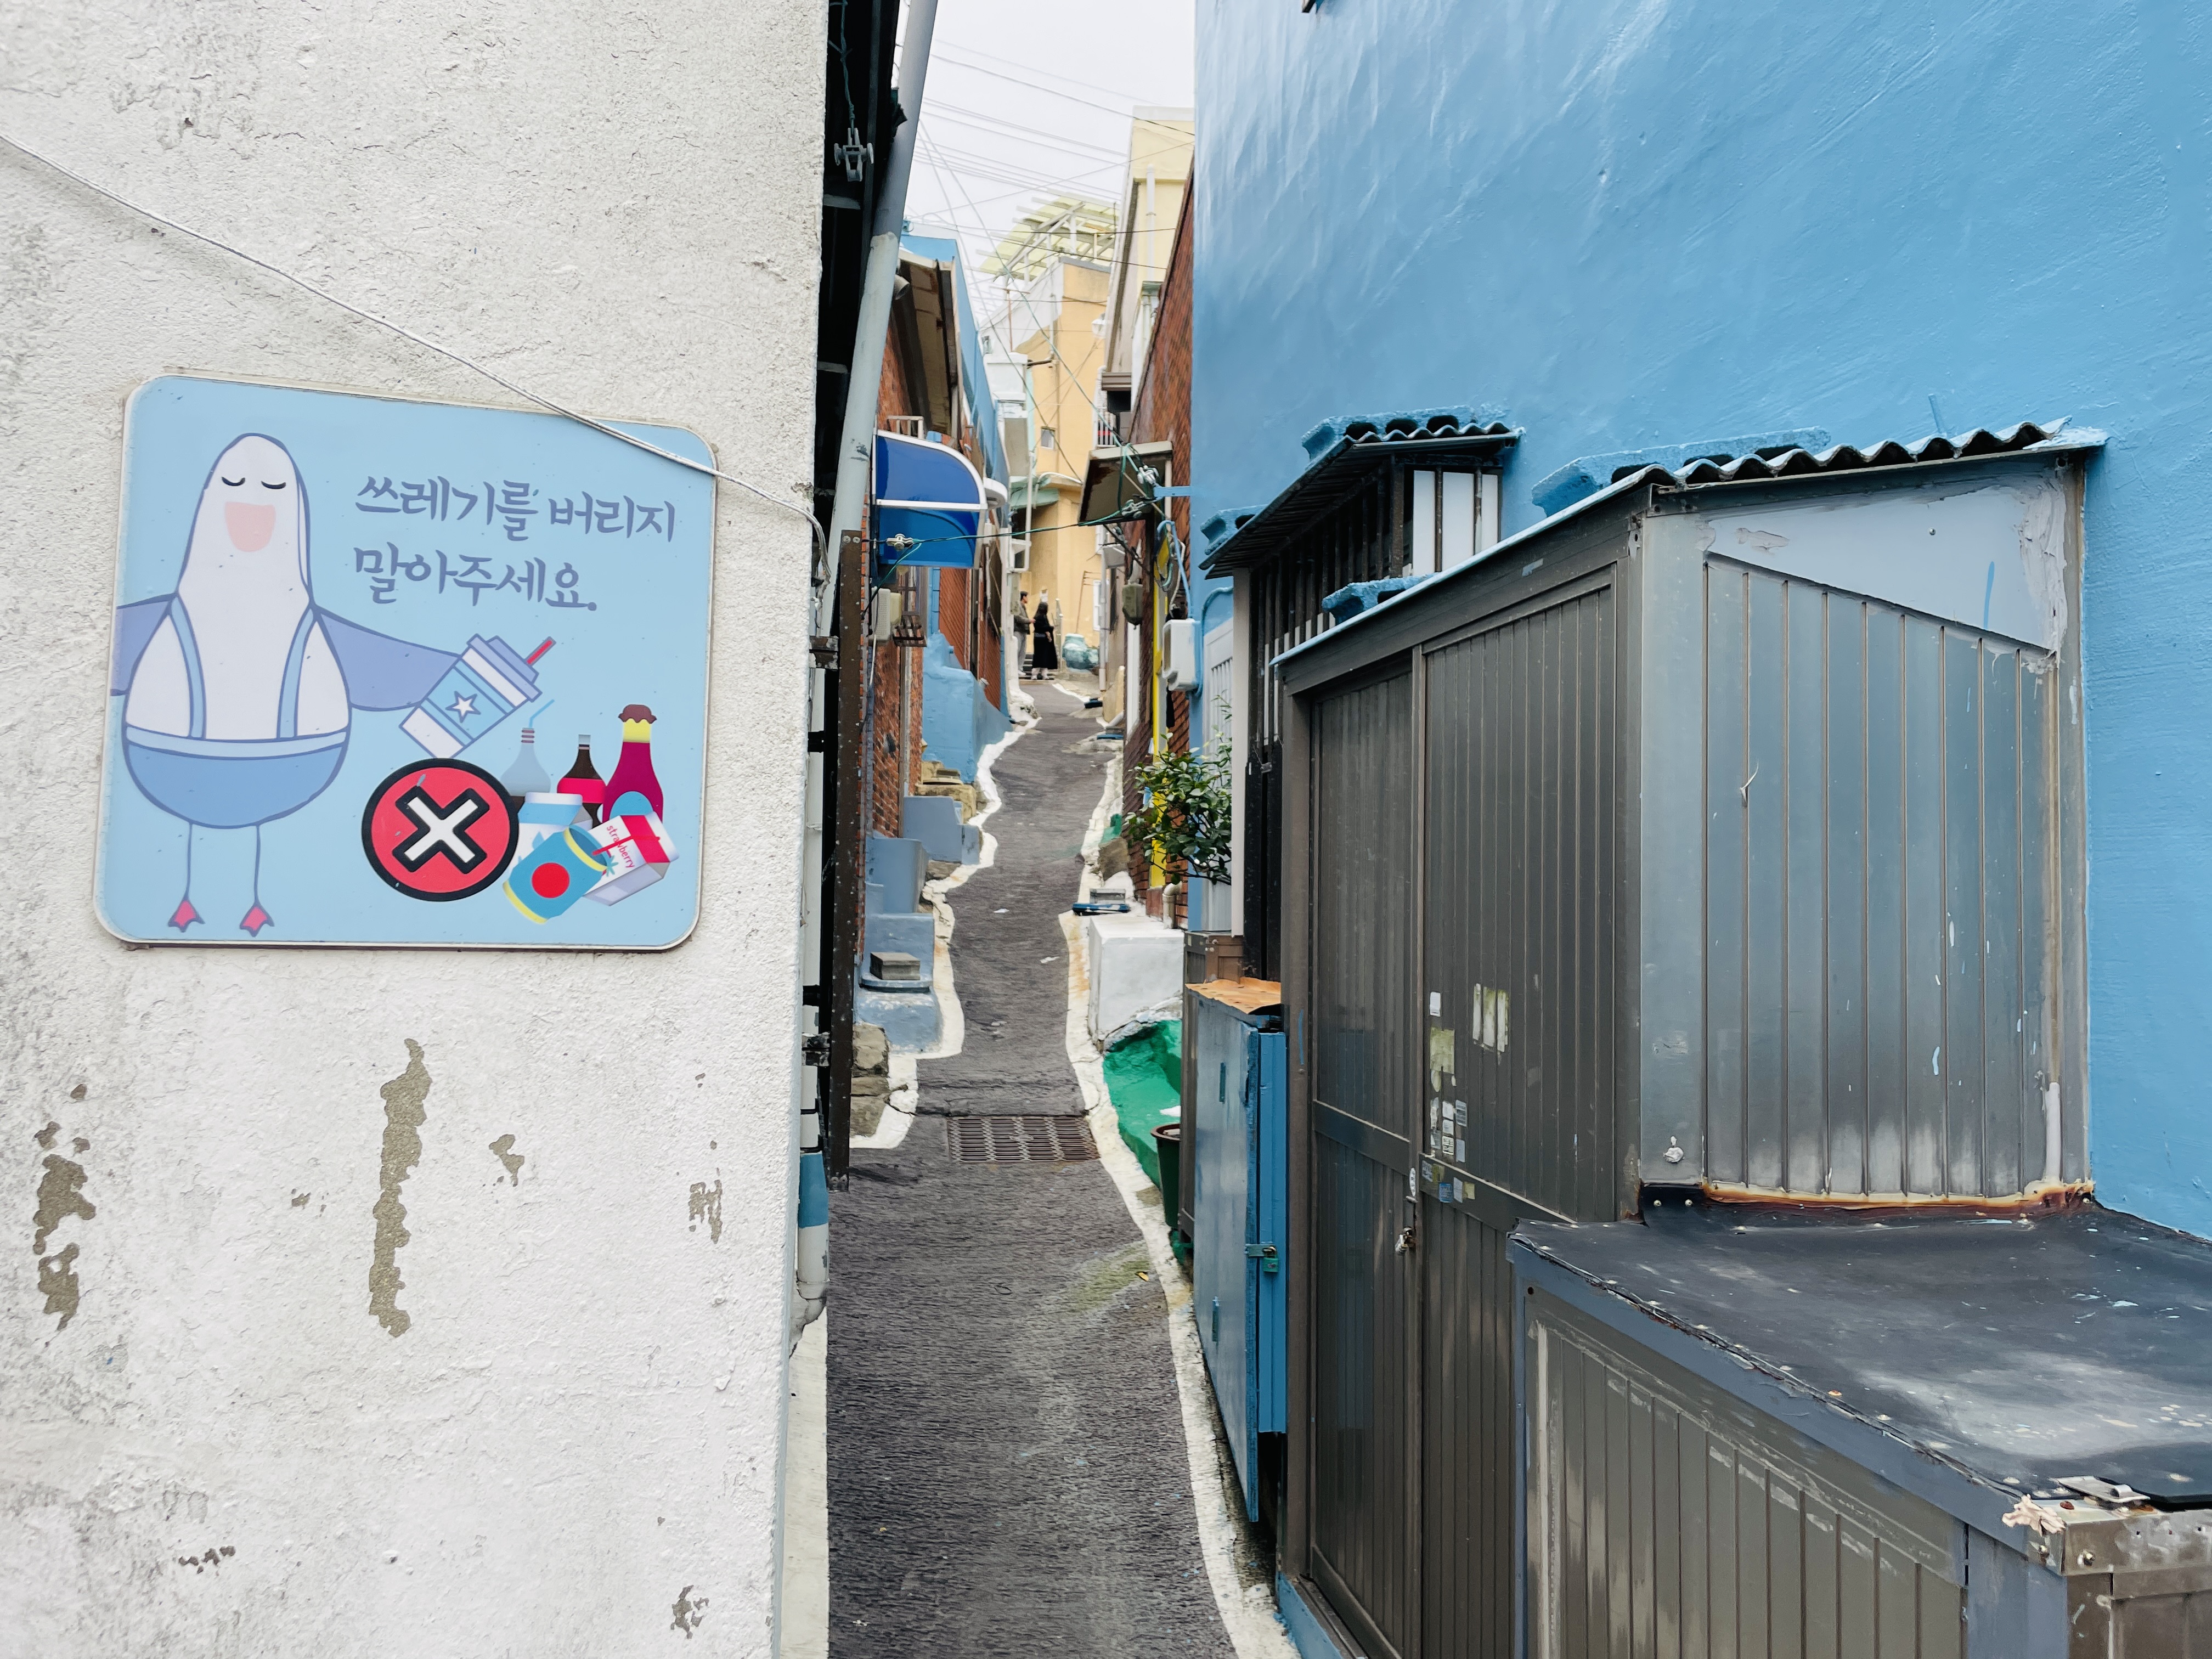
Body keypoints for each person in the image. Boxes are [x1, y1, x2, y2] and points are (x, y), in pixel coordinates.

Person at [1030, 598, 1059, 679]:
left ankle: (1035, 674)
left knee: (1038, 656)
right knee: (1044, 657)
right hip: (1044, 640)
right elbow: (1044, 628)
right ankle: (1044, 674)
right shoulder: (1043, 617)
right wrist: (1051, 628)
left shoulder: (1036, 617)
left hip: (1037, 639)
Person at [1013, 590, 1031, 677]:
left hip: (1023, 631)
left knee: (1022, 651)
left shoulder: (1023, 607)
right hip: (1018, 630)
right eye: (1027, 597)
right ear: (1024, 597)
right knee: (1018, 650)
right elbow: (1018, 617)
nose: (1028, 599)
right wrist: (1029, 620)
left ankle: (1019, 668)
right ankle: (1016, 669)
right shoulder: (1019, 606)